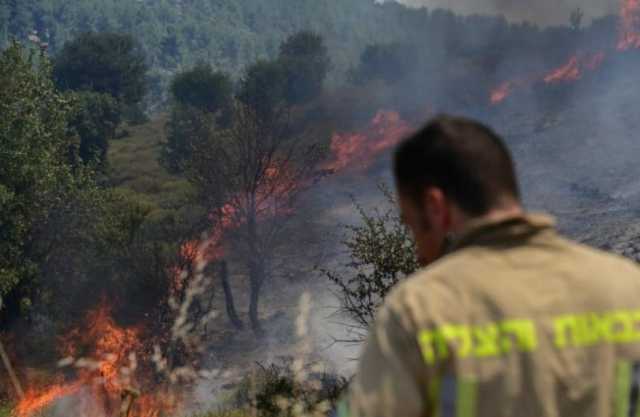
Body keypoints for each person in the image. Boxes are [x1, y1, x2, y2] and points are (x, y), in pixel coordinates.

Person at [338, 115, 640, 417]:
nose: (418, 252)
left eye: (412, 226)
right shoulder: (626, 286)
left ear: (435, 206)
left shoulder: (419, 311)